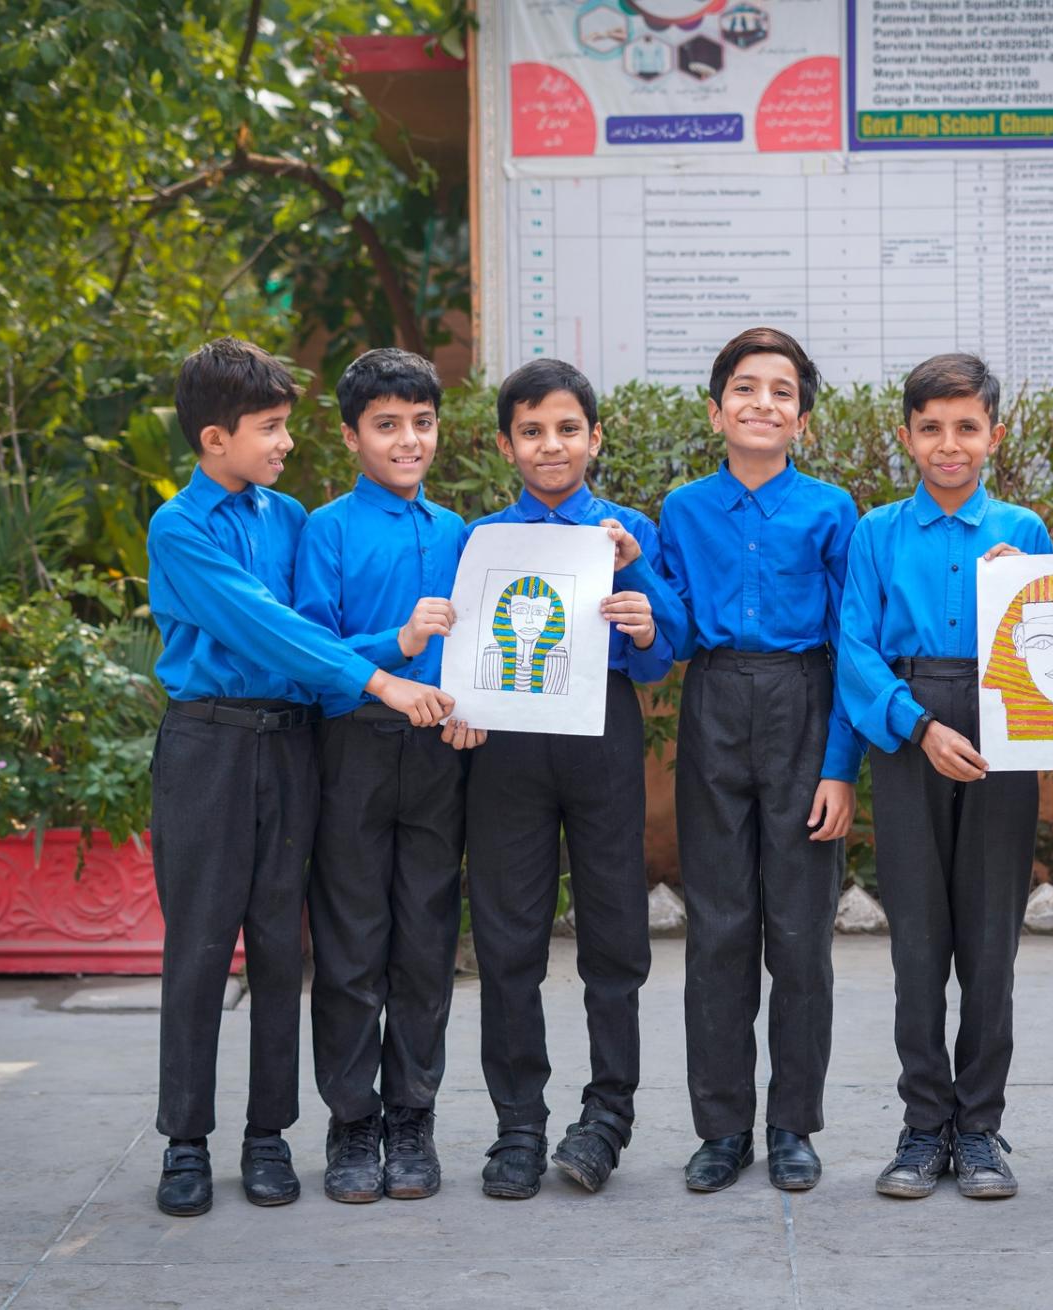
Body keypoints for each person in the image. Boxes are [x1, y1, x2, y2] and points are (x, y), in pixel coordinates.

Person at [146, 338, 450, 1218]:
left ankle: (268, 1135)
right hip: (207, 746)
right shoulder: (181, 527)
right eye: (270, 429)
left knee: (285, 946)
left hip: (291, 748)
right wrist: (383, 672)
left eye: (284, 428)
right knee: (202, 949)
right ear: (215, 439)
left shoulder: (289, 520)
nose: (284, 444)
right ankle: (186, 1141)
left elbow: (311, 636)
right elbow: (265, 628)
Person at [465, 357, 688, 1198]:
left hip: (601, 735)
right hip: (508, 750)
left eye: (566, 429)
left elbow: (666, 653)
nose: (550, 446)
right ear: (505, 445)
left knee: (614, 938)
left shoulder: (627, 529)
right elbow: (464, 656)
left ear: (596, 437)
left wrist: (636, 589)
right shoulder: (484, 541)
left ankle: (606, 1116)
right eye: (531, 431)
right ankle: (517, 1124)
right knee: (508, 938)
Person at [836, 352, 1053, 1200]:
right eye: (932, 428)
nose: (949, 444)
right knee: (918, 943)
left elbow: (1048, 638)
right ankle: (924, 1127)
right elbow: (853, 649)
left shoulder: (1024, 533)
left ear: (994, 435)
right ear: (907, 437)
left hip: (1003, 729)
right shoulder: (876, 533)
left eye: (967, 427)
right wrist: (918, 727)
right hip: (908, 725)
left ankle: (983, 1129)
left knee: (991, 941)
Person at [657, 327, 860, 1194]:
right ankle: (722, 1127)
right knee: (719, 930)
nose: (763, 404)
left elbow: (854, 639)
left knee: (801, 935)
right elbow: (664, 627)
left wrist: (841, 766)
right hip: (713, 699)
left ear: (802, 421)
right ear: (716, 410)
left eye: (782, 392)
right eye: (745, 388)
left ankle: (792, 1126)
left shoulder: (832, 510)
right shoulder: (681, 510)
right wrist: (630, 577)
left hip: (803, 702)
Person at [292, 347, 479, 1206]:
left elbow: (486, 648)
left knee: (426, 945)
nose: (409, 441)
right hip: (354, 750)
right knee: (351, 946)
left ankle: (413, 1117)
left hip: (441, 755)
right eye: (388, 426)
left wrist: (477, 698)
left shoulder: (460, 535)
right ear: (350, 437)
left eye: (423, 423)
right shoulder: (324, 529)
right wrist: (396, 646)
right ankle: (349, 1122)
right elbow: (310, 655)